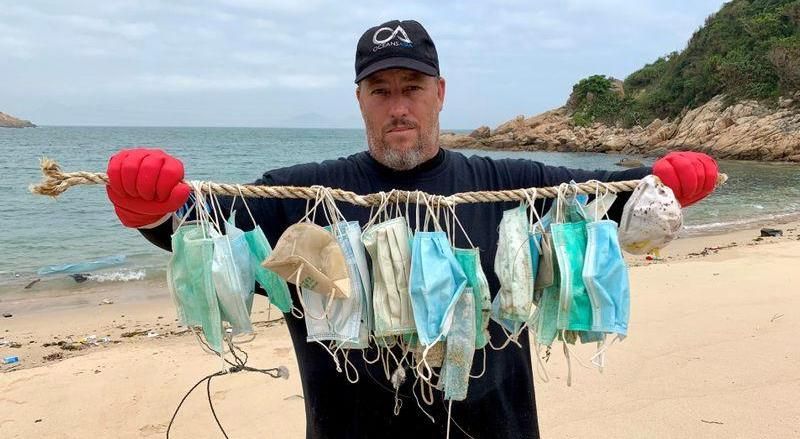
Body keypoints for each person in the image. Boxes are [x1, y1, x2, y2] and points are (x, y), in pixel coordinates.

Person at [105, 20, 718, 439]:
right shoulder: (299, 195)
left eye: (412, 88)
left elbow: (608, 198)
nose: (398, 106)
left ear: (440, 93)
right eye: (381, 91)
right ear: (360, 99)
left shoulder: (514, 185)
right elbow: (199, 228)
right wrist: (148, 206)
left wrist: (666, 182)